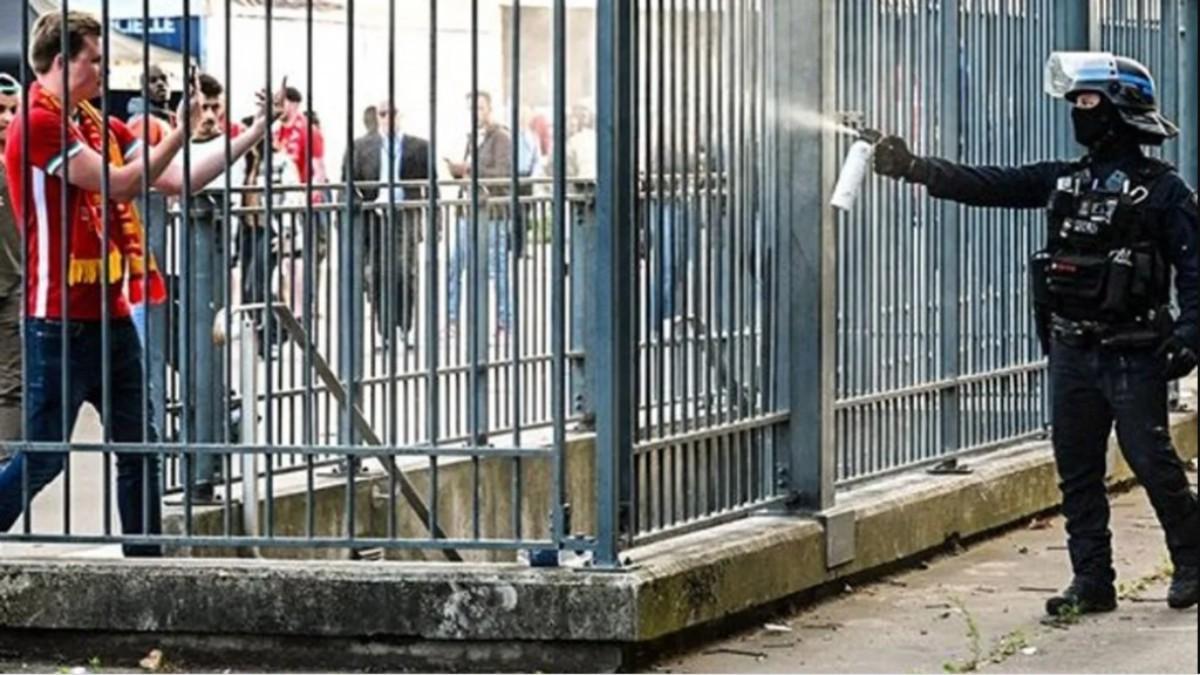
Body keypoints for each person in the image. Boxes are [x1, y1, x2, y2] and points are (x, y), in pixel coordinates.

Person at [872, 52, 1198, 613]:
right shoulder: (1064, 180)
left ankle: (1192, 560)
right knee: (1076, 469)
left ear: (1120, 108)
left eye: (1088, 100)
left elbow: (1194, 269)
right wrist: (914, 167)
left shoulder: (1163, 191)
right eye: (1074, 101)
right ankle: (1091, 580)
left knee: (1150, 459)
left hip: (1133, 351)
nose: (1078, 111)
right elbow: (991, 184)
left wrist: (1192, 333)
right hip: (1071, 346)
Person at [0, 11, 275, 555]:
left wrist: (253, 132)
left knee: (140, 447)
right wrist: (176, 131)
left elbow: (178, 178)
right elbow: (124, 184)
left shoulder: (93, 122)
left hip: (110, 312)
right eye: (95, 60)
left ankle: (146, 565)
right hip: (56, 318)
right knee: (47, 455)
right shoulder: (37, 122)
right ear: (62, 61)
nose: (104, 70)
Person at [344, 100, 436, 349]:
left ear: (401, 115)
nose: (388, 119)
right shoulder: (361, 147)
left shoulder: (419, 147)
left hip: (405, 214)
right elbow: (347, 184)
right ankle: (385, 330)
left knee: (405, 272)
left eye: (392, 113)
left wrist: (434, 225)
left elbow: (433, 187)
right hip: (374, 215)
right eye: (383, 114)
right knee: (376, 274)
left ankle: (404, 326)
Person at [445, 90, 514, 338]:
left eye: (480, 108)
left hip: (492, 214)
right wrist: (457, 170)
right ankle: (452, 319)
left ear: (489, 109)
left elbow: (503, 174)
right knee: (455, 264)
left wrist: (471, 169)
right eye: (471, 109)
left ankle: (505, 321)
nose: (475, 113)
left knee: (497, 269)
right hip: (468, 211)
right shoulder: (472, 138)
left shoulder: (501, 138)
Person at [0, 73, 21, 465]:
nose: (6, 118)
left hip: (14, 278)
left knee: (11, 381)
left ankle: (6, 464)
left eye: (13, 110)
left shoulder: (22, 156)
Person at [127, 63, 177, 147]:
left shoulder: (174, 119)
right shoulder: (142, 122)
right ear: (143, 91)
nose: (160, 83)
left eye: (164, 78)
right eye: (153, 81)